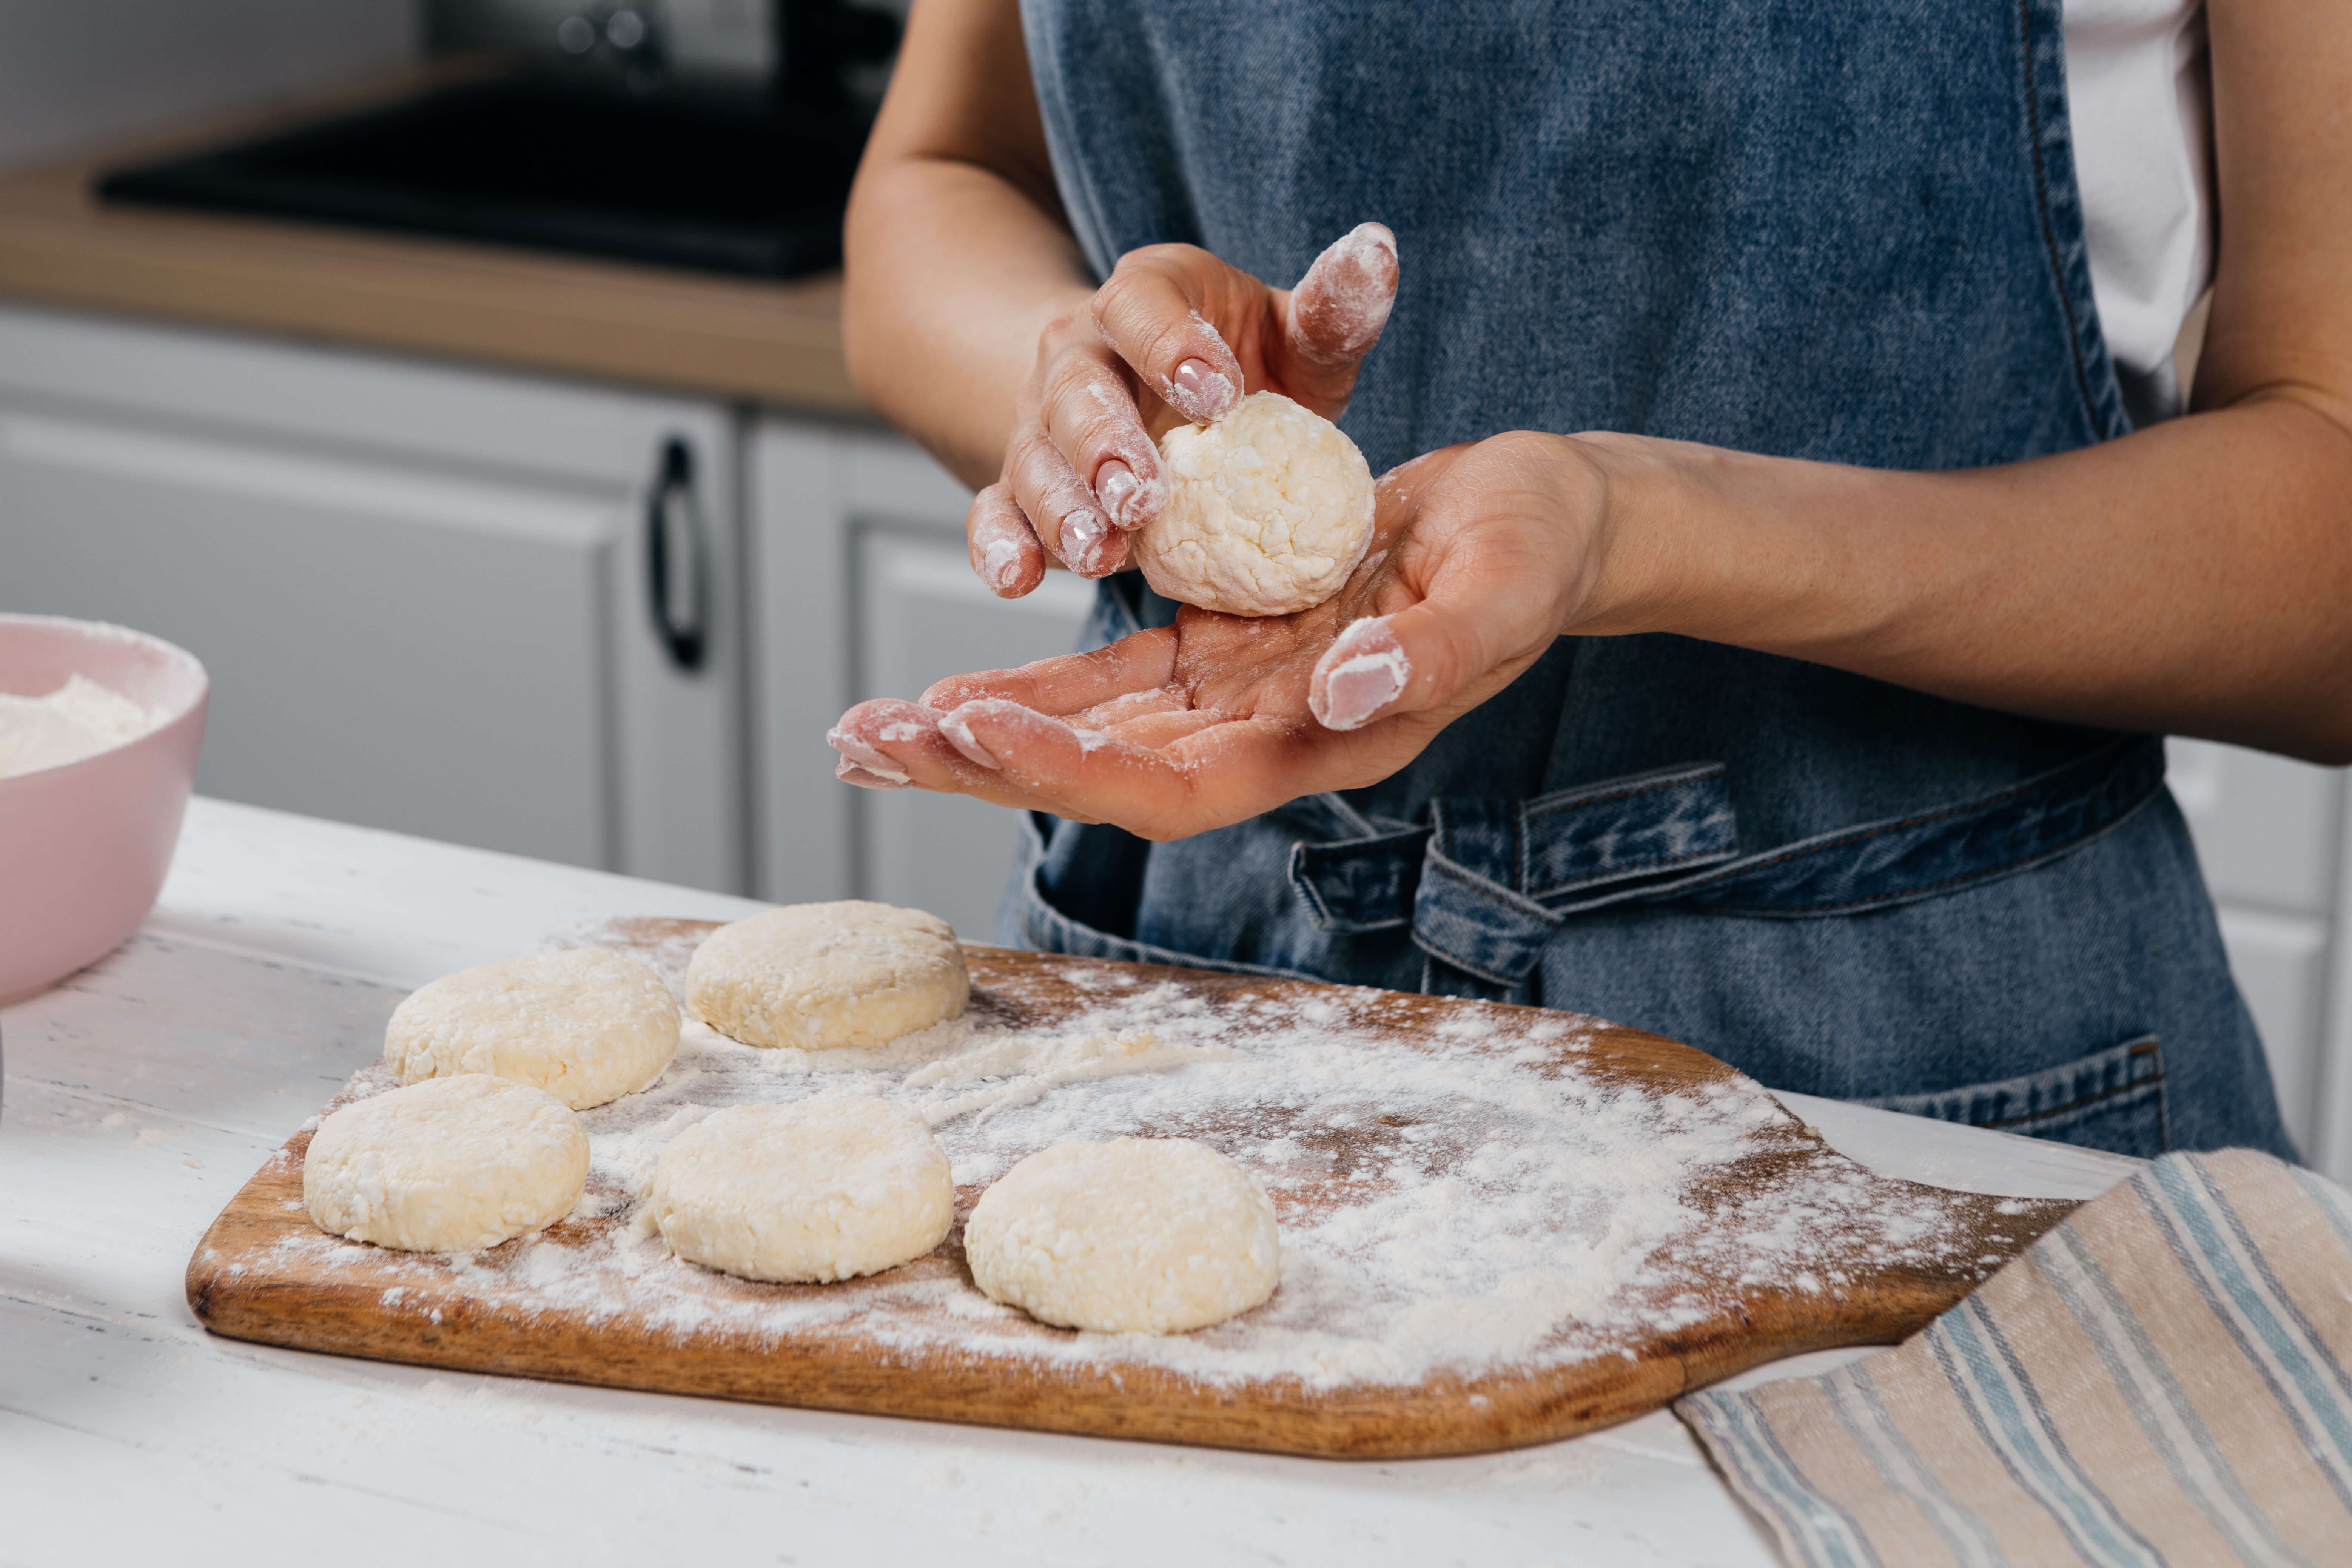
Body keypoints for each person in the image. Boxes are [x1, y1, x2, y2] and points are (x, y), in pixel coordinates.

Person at [827, 0, 2351, 1160]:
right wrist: (1094, 413)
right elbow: (940, 177)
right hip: (1200, 1001)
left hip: (1932, 1076)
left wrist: (1643, 521)